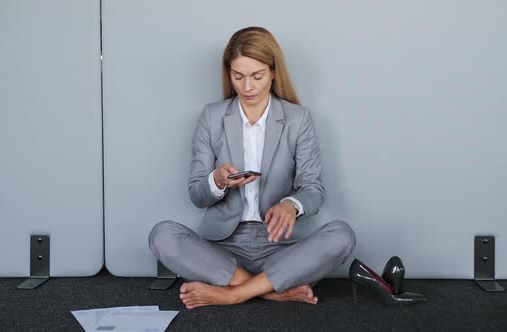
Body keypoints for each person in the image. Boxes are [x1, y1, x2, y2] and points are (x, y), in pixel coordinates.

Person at [149, 26, 356, 309]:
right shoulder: (212, 117)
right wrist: (217, 182)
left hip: (280, 246)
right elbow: (197, 195)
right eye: (238, 76)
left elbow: (313, 189)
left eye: (257, 76)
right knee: (162, 235)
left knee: (341, 236)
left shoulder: (298, 119)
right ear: (229, 73)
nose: (247, 87)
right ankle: (270, 290)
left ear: (273, 72)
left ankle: (232, 293)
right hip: (221, 249)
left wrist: (291, 206)